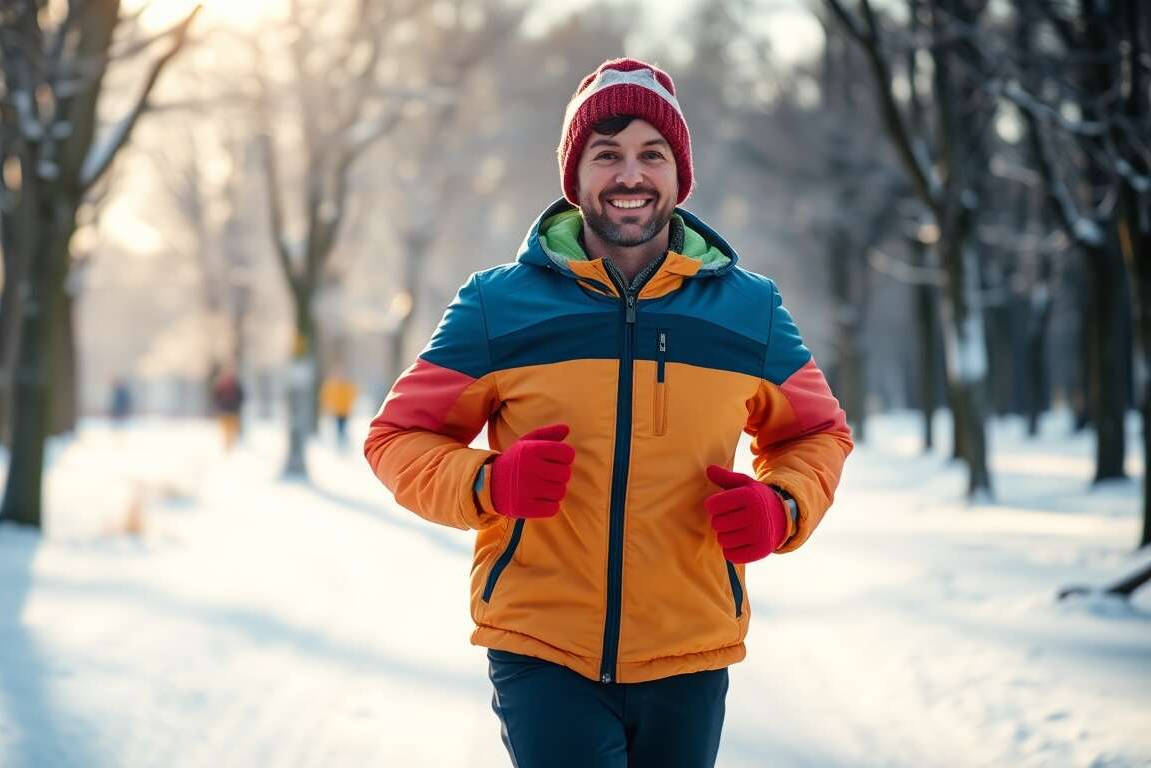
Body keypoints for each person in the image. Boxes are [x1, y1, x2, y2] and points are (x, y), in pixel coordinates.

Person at [363, 58, 853, 767]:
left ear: (679, 177)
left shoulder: (751, 311)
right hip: (542, 648)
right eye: (607, 154)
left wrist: (782, 507)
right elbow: (396, 437)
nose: (631, 175)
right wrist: (488, 483)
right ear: (576, 176)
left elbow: (817, 433)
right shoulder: (498, 305)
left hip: (689, 648)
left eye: (652, 155)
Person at [319, 374, 358, 448]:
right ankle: (341, 440)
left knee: (343, 426)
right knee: (339, 426)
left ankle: (343, 440)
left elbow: (352, 396)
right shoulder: (335, 386)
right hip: (338, 411)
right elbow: (330, 397)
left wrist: (350, 406)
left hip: (345, 411)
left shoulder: (347, 387)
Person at [211, 365, 244, 451]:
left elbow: (216, 396)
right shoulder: (232, 385)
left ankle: (229, 445)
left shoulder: (224, 384)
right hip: (230, 410)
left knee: (229, 429)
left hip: (228, 410)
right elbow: (241, 397)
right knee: (229, 429)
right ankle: (229, 445)